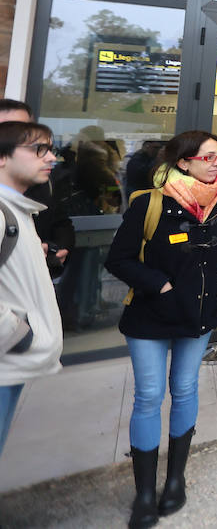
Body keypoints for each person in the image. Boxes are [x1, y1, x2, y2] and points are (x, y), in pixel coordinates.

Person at [105, 130, 217, 527]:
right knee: (148, 395)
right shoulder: (149, 203)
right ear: (184, 162)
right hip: (151, 316)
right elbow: (119, 259)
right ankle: (145, 493)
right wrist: (159, 285)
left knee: (185, 388)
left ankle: (174, 481)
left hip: (196, 314)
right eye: (209, 156)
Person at [0, 120, 63, 461]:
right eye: (39, 149)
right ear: (2, 158)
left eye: (51, 149)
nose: (50, 157)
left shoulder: (18, 211)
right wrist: (17, 333)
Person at [0, 101, 73, 277]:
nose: (50, 157)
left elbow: (61, 221)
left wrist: (57, 247)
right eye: (9, 129)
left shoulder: (43, 183)